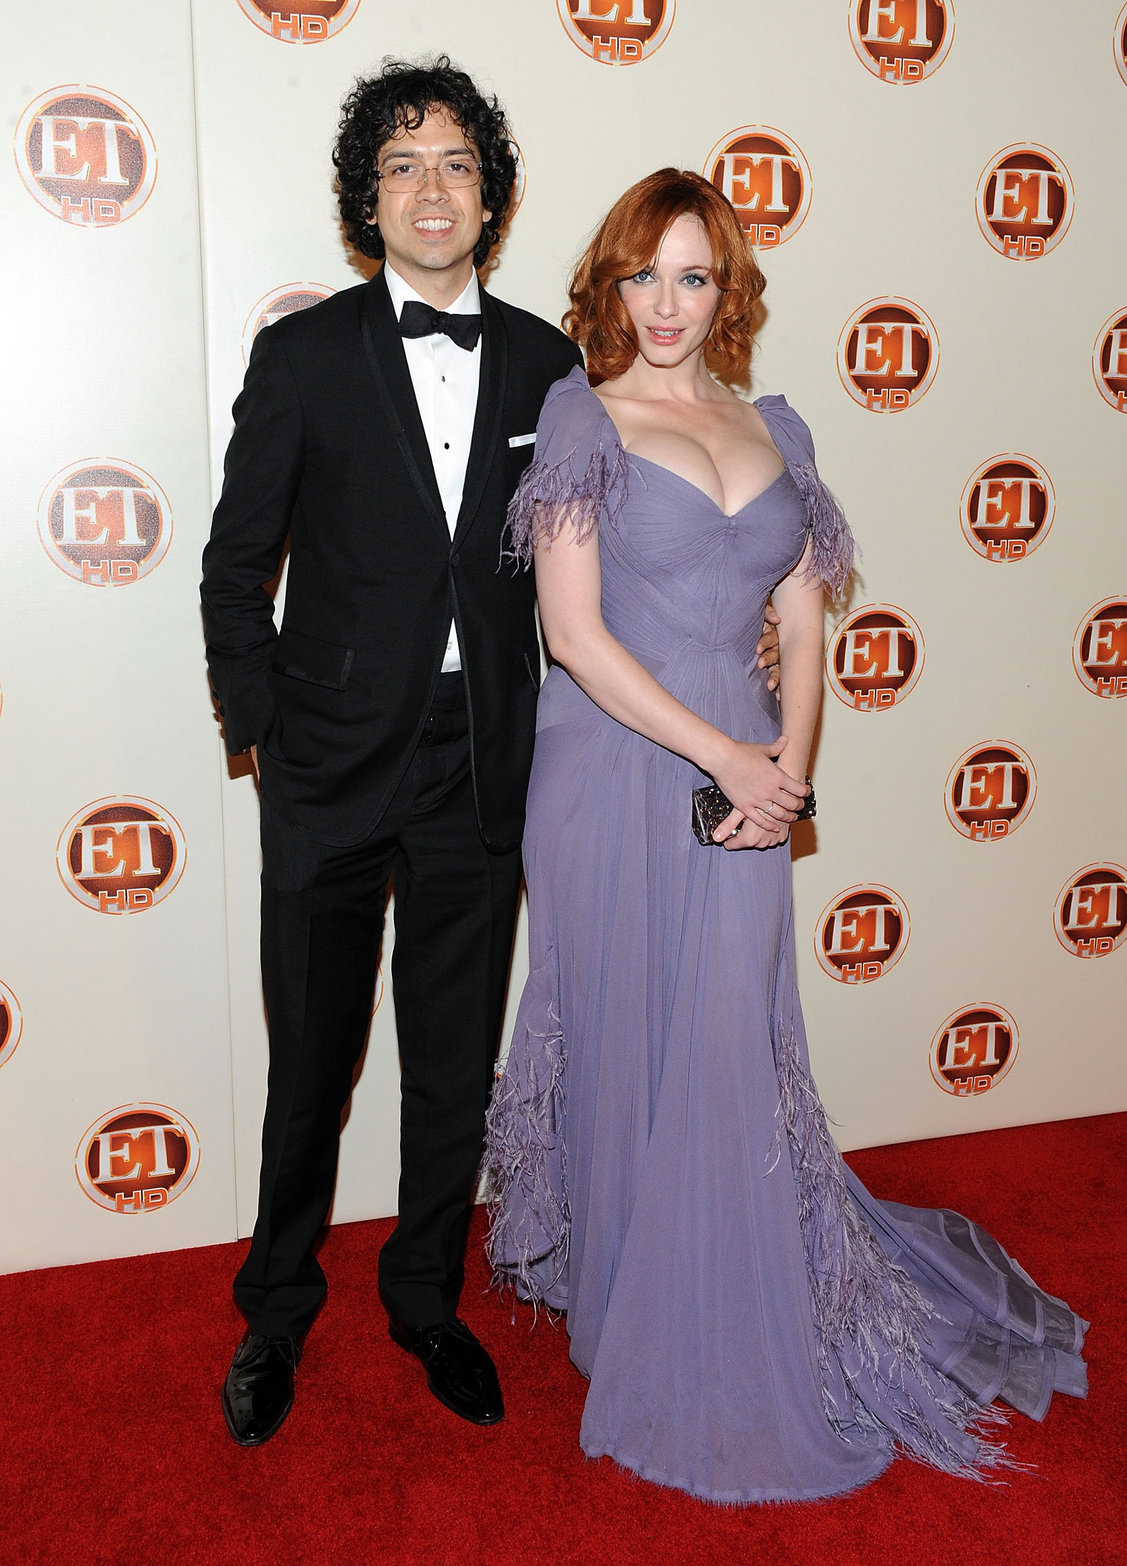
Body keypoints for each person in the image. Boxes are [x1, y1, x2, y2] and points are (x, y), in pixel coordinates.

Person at [484, 169, 1087, 1503]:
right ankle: (621, 1308)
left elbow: (808, 627)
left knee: (726, 1030)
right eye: (644, 273)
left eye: (693, 275)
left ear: (727, 289)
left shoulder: (780, 427)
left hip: (750, 770)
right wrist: (724, 758)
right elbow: (571, 634)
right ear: (613, 282)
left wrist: (789, 775)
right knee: (624, 1014)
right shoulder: (580, 415)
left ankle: (713, 1289)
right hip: (615, 769)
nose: (665, 302)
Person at [199, 56, 591, 1445]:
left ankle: (428, 1295)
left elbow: (580, 570)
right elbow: (236, 567)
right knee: (312, 1057)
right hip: (326, 758)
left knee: (449, 1054)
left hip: (481, 756)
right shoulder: (304, 354)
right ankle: (275, 1307)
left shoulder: (550, 361)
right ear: (369, 202)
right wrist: (265, 737)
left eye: (457, 165)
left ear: (493, 192)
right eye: (403, 167)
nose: (434, 190)